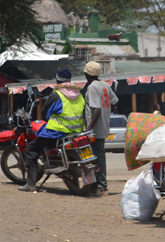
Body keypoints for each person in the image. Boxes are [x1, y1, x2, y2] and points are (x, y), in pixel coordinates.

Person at [18, 69, 85, 192]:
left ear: (57, 80)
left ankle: (30, 184)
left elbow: (45, 113)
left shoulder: (56, 94)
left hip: (57, 131)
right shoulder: (79, 94)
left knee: (31, 149)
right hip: (76, 130)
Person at [83, 61, 119, 197]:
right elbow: (115, 101)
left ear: (87, 74)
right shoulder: (105, 85)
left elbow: (96, 109)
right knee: (99, 157)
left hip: (95, 130)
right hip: (103, 127)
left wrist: (89, 128)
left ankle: (100, 186)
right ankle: (98, 186)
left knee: (95, 159)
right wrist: (108, 111)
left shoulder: (92, 87)